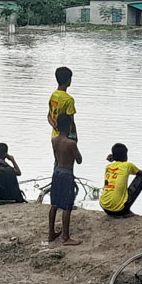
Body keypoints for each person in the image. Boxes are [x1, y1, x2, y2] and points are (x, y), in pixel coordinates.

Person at [49, 113, 82, 245]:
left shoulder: (54, 140)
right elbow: (79, 160)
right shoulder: (71, 143)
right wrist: (75, 143)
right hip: (67, 173)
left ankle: (51, 233)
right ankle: (65, 237)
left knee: (54, 204)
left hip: (57, 172)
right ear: (69, 126)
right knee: (67, 206)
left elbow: (56, 157)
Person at [100, 143, 142, 217]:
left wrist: (114, 158)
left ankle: (121, 205)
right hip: (118, 210)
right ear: (125, 155)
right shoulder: (127, 165)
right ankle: (126, 210)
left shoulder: (108, 167)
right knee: (141, 178)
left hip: (104, 206)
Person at [48, 67, 76, 142]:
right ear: (69, 80)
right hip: (66, 137)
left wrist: (54, 126)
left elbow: (49, 116)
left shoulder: (53, 95)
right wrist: (74, 137)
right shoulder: (69, 99)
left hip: (54, 136)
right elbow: (71, 121)